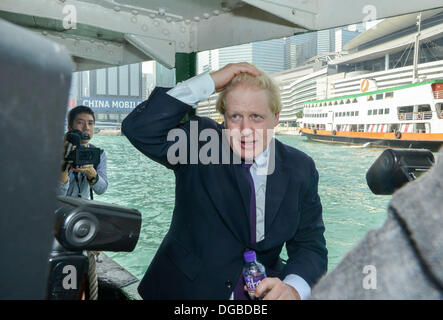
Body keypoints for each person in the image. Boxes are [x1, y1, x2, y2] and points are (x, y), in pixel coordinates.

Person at [122, 62, 327, 300]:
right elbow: (139, 128)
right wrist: (210, 81)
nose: (245, 129)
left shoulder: (301, 167)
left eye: (256, 117)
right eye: (235, 116)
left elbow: (309, 245)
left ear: (276, 118)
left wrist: (293, 288)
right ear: (224, 118)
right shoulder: (199, 143)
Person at [57, 105, 108, 199]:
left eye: (90, 123)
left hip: (81, 211)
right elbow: (56, 196)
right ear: (69, 127)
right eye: (80, 123)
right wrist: (63, 170)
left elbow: (101, 189)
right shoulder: (57, 152)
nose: (86, 128)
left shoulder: (98, 154)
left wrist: (92, 174)